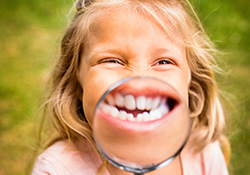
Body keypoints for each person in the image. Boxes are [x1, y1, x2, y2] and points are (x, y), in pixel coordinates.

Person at [32, 0, 230, 174]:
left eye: (163, 62)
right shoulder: (56, 169)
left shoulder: (204, 154)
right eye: (111, 60)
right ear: (76, 81)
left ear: (191, 83)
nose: (139, 79)